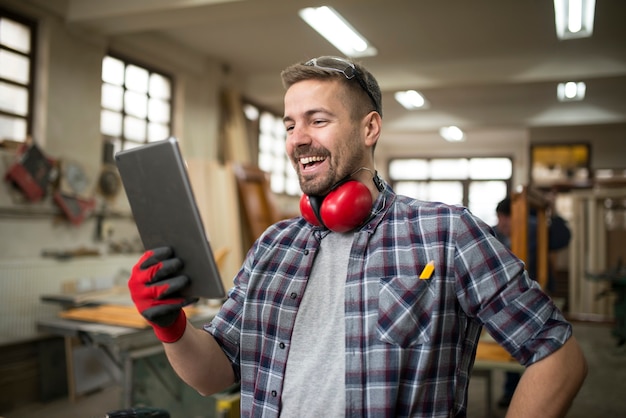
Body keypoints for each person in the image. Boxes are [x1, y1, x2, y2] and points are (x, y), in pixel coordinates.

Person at [128, 56, 587, 417]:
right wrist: (171, 326)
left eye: (317, 120)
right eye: (289, 125)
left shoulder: (446, 234)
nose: (297, 139)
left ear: (369, 128)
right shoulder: (273, 246)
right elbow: (215, 376)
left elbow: (558, 357)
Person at [493, 196, 572, 408]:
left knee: (544, 345)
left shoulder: (536, 228)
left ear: (517, 218)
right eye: (499, 219)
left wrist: (551, 213)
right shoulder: (496, 233)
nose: (502, 225)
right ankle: (511, 392)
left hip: (540, 294)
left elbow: (563, 238)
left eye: (505, 220)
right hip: (510, 299)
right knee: (513, 344)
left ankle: (543, 390)